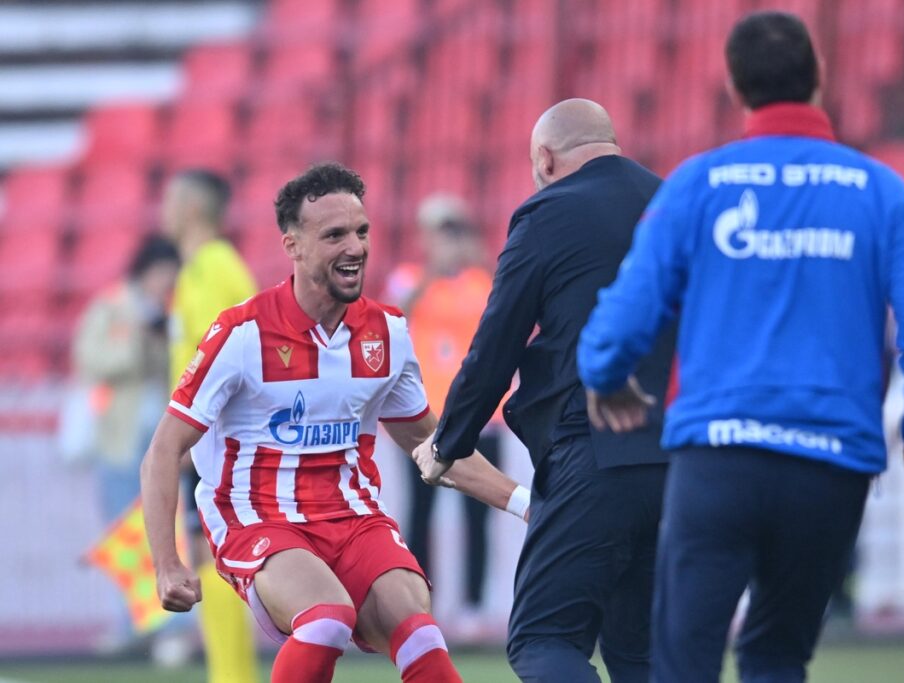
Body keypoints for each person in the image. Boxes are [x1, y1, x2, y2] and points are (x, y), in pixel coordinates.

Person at [576, 12, 904, 683]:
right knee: (777, 657)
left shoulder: (697, 184)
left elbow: (623, 314)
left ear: (733, 87)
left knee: (683, 663)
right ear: (819, 79)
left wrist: (605, 375)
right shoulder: (879, 191)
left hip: (717, 461)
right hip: (830, 465)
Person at [141, 162, 528, 683]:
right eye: (335, 235)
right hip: (260, 519)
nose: (355, 247)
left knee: (421, 634)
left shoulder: (386, 332)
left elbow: (434, 445)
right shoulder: (243, 334)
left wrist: (529, 505)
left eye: (362, 232)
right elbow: (163, 449)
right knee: (326, 620)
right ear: (293, 246)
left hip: (354, 516)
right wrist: (167, 564)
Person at [414, 99, 677, 682]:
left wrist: (447, 444)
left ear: (545, 158)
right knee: (643, 655)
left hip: (594, 451)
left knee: (543, 639)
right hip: (681, 459)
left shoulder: (548, 211)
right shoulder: (673, 202)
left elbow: (496, 344)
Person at [161, 168, 261, 680]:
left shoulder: (217, 268)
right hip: (199, 439)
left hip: (215, 438)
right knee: (207, 557)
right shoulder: (195, 270)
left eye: (171, 198)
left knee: (216, 558)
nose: (163, 209)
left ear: (193, 208)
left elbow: (239, 352)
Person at [385, 193, 501, 631]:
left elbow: (504, 316)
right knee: (421, 511)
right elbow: (396, 314)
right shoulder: (409, 278)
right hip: (422, 420)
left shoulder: (479, 282)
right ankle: (420, 601)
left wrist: (478, 260)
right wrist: (435, 270)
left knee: (479, 512)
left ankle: (472, 606)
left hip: (480, 417)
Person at [71, 234, 179, 649]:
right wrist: (138, 336)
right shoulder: (113, 306)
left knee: (163, 533)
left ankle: (169, 629)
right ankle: (132, 625)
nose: (164, 282)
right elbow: (91, 359)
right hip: (120, 436)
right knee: (125, 536)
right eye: (161, 274)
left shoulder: (172, 308)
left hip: (163, 439)